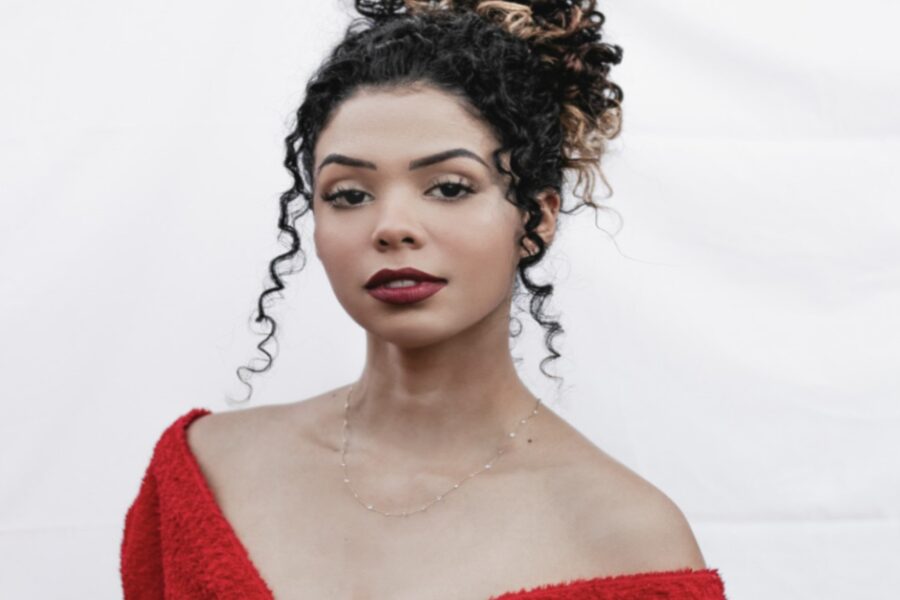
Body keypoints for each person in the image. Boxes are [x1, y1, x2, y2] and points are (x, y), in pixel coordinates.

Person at [120, 1, 727, 598]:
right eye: (349, 194)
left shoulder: (628, 540)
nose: (392, 227)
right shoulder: (207, 472)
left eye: (449, 188)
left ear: (537, 219)